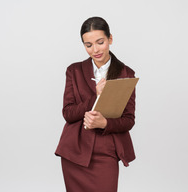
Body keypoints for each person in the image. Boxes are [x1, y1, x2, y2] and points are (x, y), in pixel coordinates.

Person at [55, 16, 136, 192]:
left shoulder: (126, 73)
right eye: (88, 45)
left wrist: (104, 123)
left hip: (107, 149)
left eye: (100, 42)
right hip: (75, 152)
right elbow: (68, 113)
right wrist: (95, 97)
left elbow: (129, 120)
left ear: (110, 39)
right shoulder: (74, 71)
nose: (95, 49)